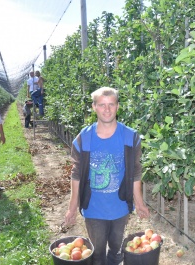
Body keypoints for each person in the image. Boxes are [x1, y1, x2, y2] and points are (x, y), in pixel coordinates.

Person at [64, 87, 150, 265]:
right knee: (97, 254)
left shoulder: (130, 137)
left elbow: (135, 172)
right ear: (94, 107)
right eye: (102, 105)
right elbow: (76, 174)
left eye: (111, 104)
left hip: (120, 207)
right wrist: (72, 207)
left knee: (117, 250)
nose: (107, 109)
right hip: (93, 208)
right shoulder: (83, 139)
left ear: (118, 106)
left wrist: (139, 203)